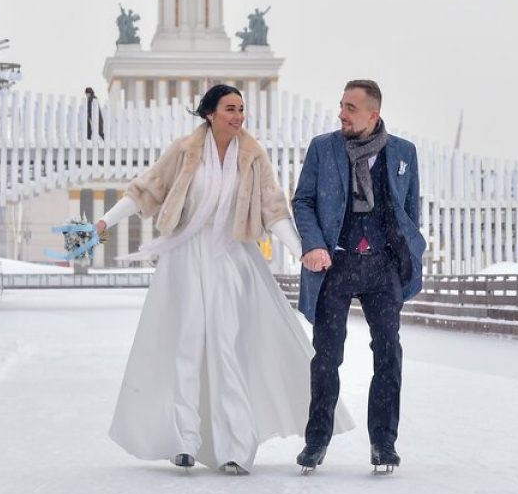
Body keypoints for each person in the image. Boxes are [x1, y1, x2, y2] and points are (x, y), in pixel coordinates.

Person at [95, 83, 352, 474]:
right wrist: (104, 221)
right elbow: (147, 191)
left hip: (231, 258)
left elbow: (273, 209)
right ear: (210, 113)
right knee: (186, 344)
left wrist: (301, 249)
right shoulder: (184, 152)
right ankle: (183, 440)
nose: (238, 116)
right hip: (184, 257)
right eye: (230, 109)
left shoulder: (252, 157)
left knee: (228, 346)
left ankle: (234, 446)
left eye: (241, 109)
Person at [292, 79, 426, 473]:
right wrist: (313, 244)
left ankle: (384, 444)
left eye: (351, 107)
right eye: (342, 105)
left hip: (383, 267)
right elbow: (302, 200)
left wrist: (407, 252)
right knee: (327, 358)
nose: (342, 114)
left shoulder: (403, 153)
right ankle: (316, 441)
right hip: (336, 264)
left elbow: (409, 208)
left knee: (388, 354)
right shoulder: (323, 148)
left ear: (374, 114)